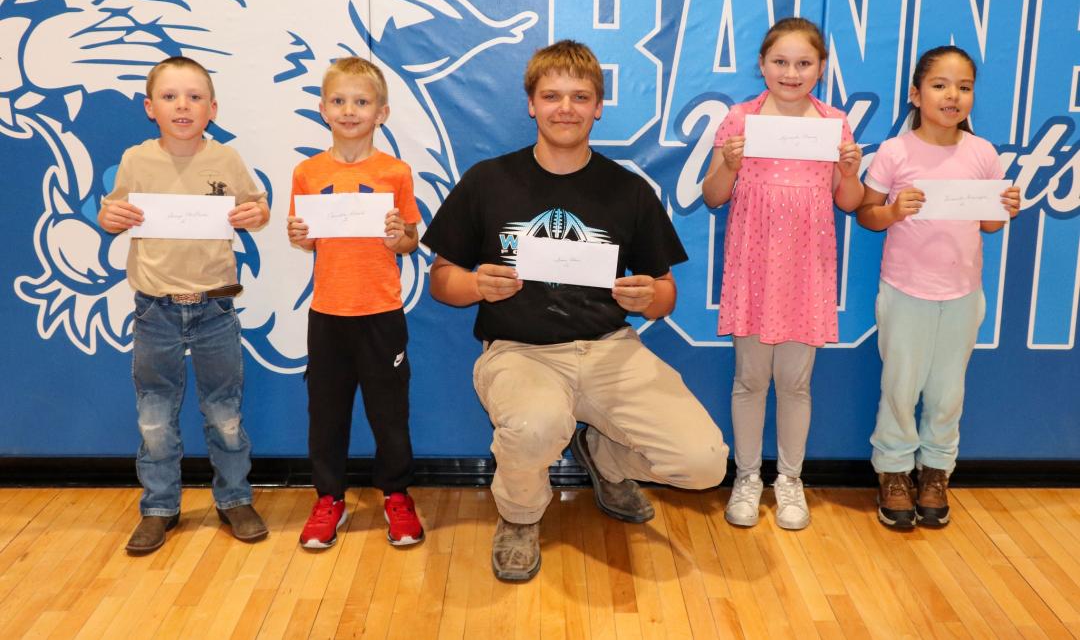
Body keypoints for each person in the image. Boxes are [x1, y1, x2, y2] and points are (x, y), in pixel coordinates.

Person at [423, 39, 728, 582]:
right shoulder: (487, 181)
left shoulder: (629, 190)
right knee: (532, 426)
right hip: (521, 354)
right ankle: (520, 516)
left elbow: (665, 292)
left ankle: (605, 458)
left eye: (580, 96)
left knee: (704, 464)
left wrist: (646, 297)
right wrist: (474, 284)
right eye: (552, 95)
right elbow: (441, 281)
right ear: (531, 105)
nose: (566, 107)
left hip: (612, 351)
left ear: (598, 106)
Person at [99, 56, 270, 555]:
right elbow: (114, 211)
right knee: (154, 416)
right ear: (150, 107)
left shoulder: (228, 160)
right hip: (155, 308)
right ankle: (159, 507)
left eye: (195, 97)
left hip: (216, 308)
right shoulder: (136, 159)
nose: (183, 105)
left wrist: (256, 212)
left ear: (212, 109)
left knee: (226, 414)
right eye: (171, 97)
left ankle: (235, 498)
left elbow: (257, 208)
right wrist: (110, 215)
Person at [702, 17, 864, 531]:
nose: (791, 73)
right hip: (753, 269)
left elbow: (850, 202)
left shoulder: (834, 123)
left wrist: (851, 172)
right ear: (762, 64)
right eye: (780, 62)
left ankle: (789, 480)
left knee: (795, 384)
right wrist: (728, 163)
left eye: (803, 63)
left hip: (806, 272)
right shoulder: (739, 119)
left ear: (820, 68)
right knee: (750, 380)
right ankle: (747, 477)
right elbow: (712, 196)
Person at [856, 46, 1020, 528]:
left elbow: (989, 225)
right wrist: (892, 211)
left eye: (964, 87)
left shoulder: (983, 152)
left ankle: (936, 470)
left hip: (963, 293)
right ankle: (893, 472)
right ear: (916, 94)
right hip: (906, 291)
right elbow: (867, 215)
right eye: (940, 85)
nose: (953, 95)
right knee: (900, 387)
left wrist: (1004, 205)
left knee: (949, 390)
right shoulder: (895, 151)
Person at [287, 57, 424, 549]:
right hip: (328, 313)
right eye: (340, 102)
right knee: (326, 413)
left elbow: (411, 237)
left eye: (361, 102)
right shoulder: (307, 172)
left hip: (381, 313)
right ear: (323, 109)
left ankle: (396, 496)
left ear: (381, 113)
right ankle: (329, 498)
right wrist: (299, 234)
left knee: (390, 412)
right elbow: (304, 238)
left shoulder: (395, 171)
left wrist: (399, 237)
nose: (350, 111)